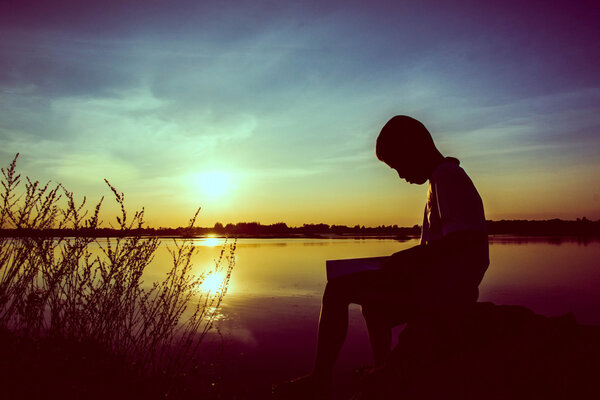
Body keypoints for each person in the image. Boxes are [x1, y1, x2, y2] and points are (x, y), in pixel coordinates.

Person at [273, 115, 489, 399]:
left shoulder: (447, 177)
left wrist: (408, 260)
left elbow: (464, 241)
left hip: (447, 292)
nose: (399, 175)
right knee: (373, 306)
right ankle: (384, 370)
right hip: (441, 286)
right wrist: (408, 261)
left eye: (398, 164)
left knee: (337, 289)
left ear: (414, 148)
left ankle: (321, 378)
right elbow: (447, 245)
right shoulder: (440, 178)